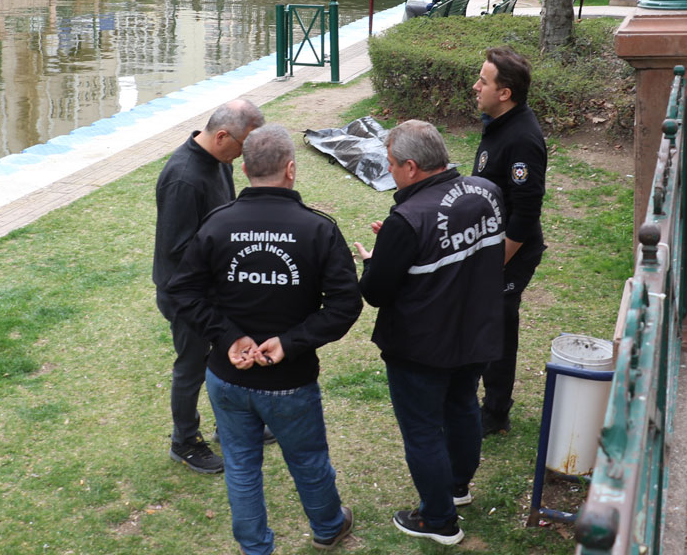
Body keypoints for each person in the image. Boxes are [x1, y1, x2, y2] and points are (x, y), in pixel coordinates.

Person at [167, 125, 362, 555]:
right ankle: (328, 526)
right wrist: (288, 342)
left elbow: (181, 292)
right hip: (289, 380)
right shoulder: (317, 229)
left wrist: (229, 338)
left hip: (228, 375)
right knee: (307, 460)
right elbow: (346, 305)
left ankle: (255, 547)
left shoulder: (218, 224)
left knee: (241, 465)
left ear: (243, 169)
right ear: (291, 169)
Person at [354, 120, 505, 546]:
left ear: (411, 167)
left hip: (421, 346)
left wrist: (375, 259)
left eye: (391, 163)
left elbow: (376, 292)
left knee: (422, 430)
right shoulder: (486, 192)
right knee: (462, 405)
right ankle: (457, 486)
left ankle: (439, 519)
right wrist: (397, 247)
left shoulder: (407, 218)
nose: (389, 171)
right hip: (475, 331)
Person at [154, 99, 266, 474]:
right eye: (243, 146)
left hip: (216, 287)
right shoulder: (184, 178)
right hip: (186, 295)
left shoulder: (221, 161)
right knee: (192, 366)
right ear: (221, 136)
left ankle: (228, 425)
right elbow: (178, 249)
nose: (244, 155)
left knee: (224, 356)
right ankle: (184, 441)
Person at [471, 47, 547, 437]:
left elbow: (526, 211)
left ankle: (496, 411)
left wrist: (498, 260)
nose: (476, 86)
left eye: (483, 81)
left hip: (510, 252)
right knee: (481, 320)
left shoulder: (522, 139)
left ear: (505, 93)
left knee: (499, 324)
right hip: (488, 248)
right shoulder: (498, 124)